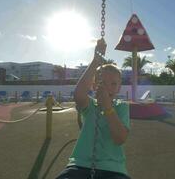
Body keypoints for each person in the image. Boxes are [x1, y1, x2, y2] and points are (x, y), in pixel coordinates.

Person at [56, 39, 131, 179]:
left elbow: (120, 138)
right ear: (94, 85)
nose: (108, 87)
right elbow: (78, 95)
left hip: (113, 169)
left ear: (119, 88)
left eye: (114, 84)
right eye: (103, 82)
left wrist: (108, 108)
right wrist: (96, 60)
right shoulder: (90, 106)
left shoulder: (122, 107)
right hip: (80, 165)